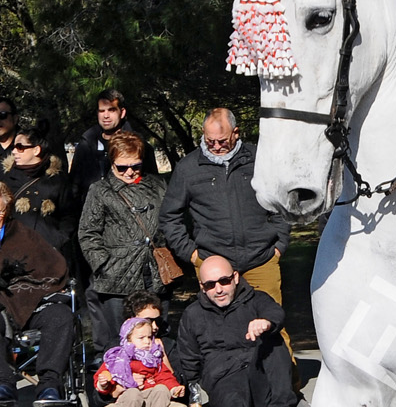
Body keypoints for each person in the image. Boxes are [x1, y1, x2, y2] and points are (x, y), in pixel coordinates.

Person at [159, 108, 291, 315]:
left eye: (222, 140)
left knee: (271, 323)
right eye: (210, 141)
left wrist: (279, 244)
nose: (216, 146)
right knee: (220, 328)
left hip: (261, 258)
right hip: (212, 262)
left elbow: (281, 202)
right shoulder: (188, 168)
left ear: (236, 133)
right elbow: (169, 216)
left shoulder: (260, 159)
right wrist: (192, 254)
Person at [176, 255, 295, 407]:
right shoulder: (192, 315)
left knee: (274, 341)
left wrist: (266, 322)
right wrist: (195, 402)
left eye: (224, 281)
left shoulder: (257, 299)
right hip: (225, 380)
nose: (219, 289)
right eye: (211, 285)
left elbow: (276, 312)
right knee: (233, 400)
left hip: (260, 379)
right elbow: (188, 359)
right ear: (202, 287)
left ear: (236, 277)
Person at [60, 314, 229, 407]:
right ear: (128, 339)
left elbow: (165, 376)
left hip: (156, 406)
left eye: (150, 337)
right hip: (128, 405)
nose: (148, 341)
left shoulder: (154, 358)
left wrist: (173, 387)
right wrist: (105, 384)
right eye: (141, 338)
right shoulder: (117, 359)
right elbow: (104, 379)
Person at [77, 130, 168, 358]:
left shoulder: (158, 186)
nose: (129, 172)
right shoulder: (99, 191)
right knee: (119, 339)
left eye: (135, 166)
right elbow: (88, 233)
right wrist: (104, 265)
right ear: (112, 162)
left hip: (153, 272)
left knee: (157, 335)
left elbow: (170, 221)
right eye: (122, 167)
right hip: (116, 277)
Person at [0, 181, 74, 407]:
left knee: (61, 315)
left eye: (1, 210)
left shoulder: (25, 236)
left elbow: (53, 268)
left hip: (31, 300)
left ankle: (50, 383)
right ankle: (3, 382)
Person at [69, 89, 156, 210]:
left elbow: (152, 186)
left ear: (122, 112)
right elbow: (74, 186)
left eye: (111, 110)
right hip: (91, 217)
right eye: (101, 111)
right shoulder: (86, 145)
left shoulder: (139, 146)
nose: (106, 116)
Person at [1, 118, 73, 255]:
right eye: (13, 147)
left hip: (47, 255)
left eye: (20, 147)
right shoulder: (6, 179)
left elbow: (69, 216)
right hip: (13, 253)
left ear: (36, 150)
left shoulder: (56, 180)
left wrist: (57, 241)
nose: (14, 151)